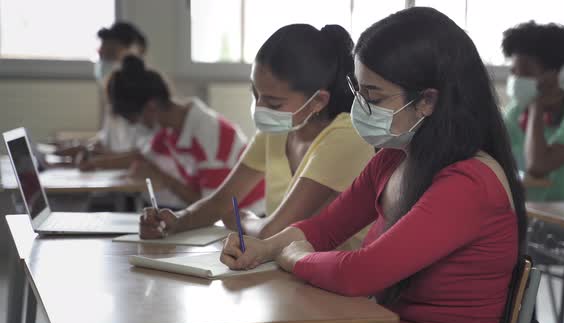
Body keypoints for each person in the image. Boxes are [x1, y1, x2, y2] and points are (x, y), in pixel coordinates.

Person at [219, 8, 527, 323]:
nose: (358, 107)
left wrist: (294, 257)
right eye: (358, 91)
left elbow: (359, 273)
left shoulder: (469, 183)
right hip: (377, 321)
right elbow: (325, 228)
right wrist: (265, 248)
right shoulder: (393, 158)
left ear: (427, 101)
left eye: (372, 96)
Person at [140, 24, 375, 247]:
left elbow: (274, 232)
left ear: (318, 101)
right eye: (255, 94)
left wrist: (242, 219)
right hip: (286, 268)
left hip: (337, 281)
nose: (260, 108)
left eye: (273, 103)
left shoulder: (347, 137)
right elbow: (221, 202)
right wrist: (176, 221)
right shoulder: (278, 131)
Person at [84, 55, 264, 211]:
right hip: (217, 212)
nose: (136, 127)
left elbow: (210, 207)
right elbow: (143, 156)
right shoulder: (170, 127)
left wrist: (162, 177)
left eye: (135, 120)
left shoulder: (210, 138)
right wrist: (96, 162)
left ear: (151, 108)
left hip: (243, 218)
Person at [502, 21, 564, 201]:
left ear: (551, 74)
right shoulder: (514, 113)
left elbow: (538, 165)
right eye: (512, 71)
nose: (515, 79)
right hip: (530, 218)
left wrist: (536, 107)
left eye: (523, 71)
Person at [55, 22, 153, 157]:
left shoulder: (145, 103)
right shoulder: (113, 99)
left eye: (111, 56)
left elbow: (145, 156)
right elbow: (107, 140)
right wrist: (83, 146)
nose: (104, 64)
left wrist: (103, 157)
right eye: (101, 57)